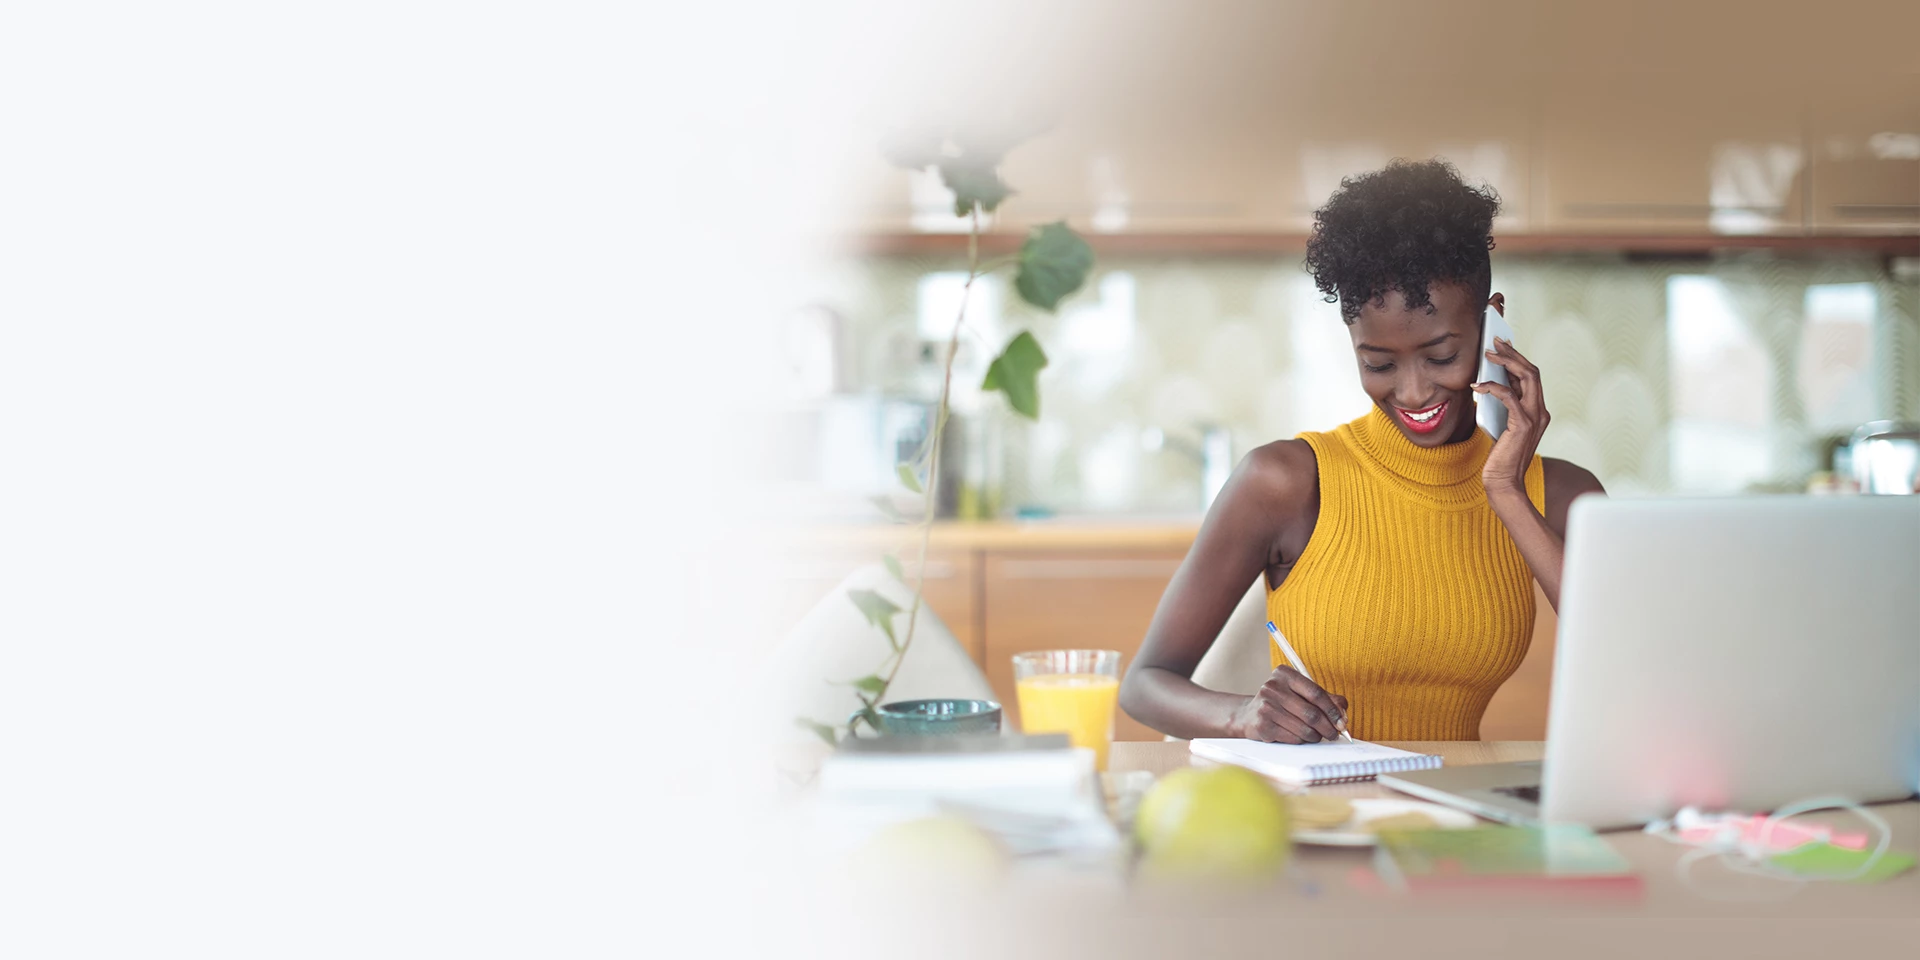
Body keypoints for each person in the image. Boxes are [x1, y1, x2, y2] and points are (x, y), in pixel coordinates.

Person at [1117, 159, 1605, 744]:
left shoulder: (1561, 495)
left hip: (1456, 811)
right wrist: (1241, 715)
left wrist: (1505, 489)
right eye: (1378, 364)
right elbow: (1144, 684)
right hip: (1314, 814)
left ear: (1488, 317)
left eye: (1442, 355)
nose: (1414, 391)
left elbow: (1633, 673)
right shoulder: (1285, 482)